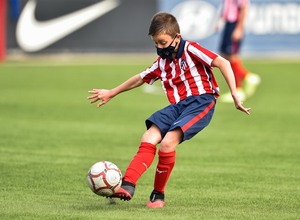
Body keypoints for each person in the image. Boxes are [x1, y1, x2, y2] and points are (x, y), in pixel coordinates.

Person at [88, 12, 251, 208]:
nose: (159, 47)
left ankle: (158, 195)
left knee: (167, 144)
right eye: (156, 43)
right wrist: (112, 92)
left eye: (163, 43)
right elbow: (140, 78)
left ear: (177, 38)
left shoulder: (191, 48)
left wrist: (234, 93)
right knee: (148, 137)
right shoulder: (162, 63)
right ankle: (128, 184)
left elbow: (222, 62)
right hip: (178, 106)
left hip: (201, 101)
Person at [217, 0, 261, 103]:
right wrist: (220, 19)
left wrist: (239, 28)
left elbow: (243, 7)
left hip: (234, 24)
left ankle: (239, 87)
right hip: (228, 23)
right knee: (225, 56)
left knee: (232, 55)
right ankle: (247, 78)